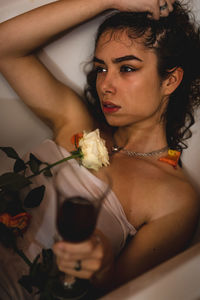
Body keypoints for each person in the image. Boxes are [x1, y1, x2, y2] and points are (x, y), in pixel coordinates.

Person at [0, 0, 200, 297]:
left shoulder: (175, 197)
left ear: (170, 80)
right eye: (101, 68)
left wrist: (102, 264)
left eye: (127, 68)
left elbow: (115, 292)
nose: (105, 84)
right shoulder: (75, 121)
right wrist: (106, 0)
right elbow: (5, 46)